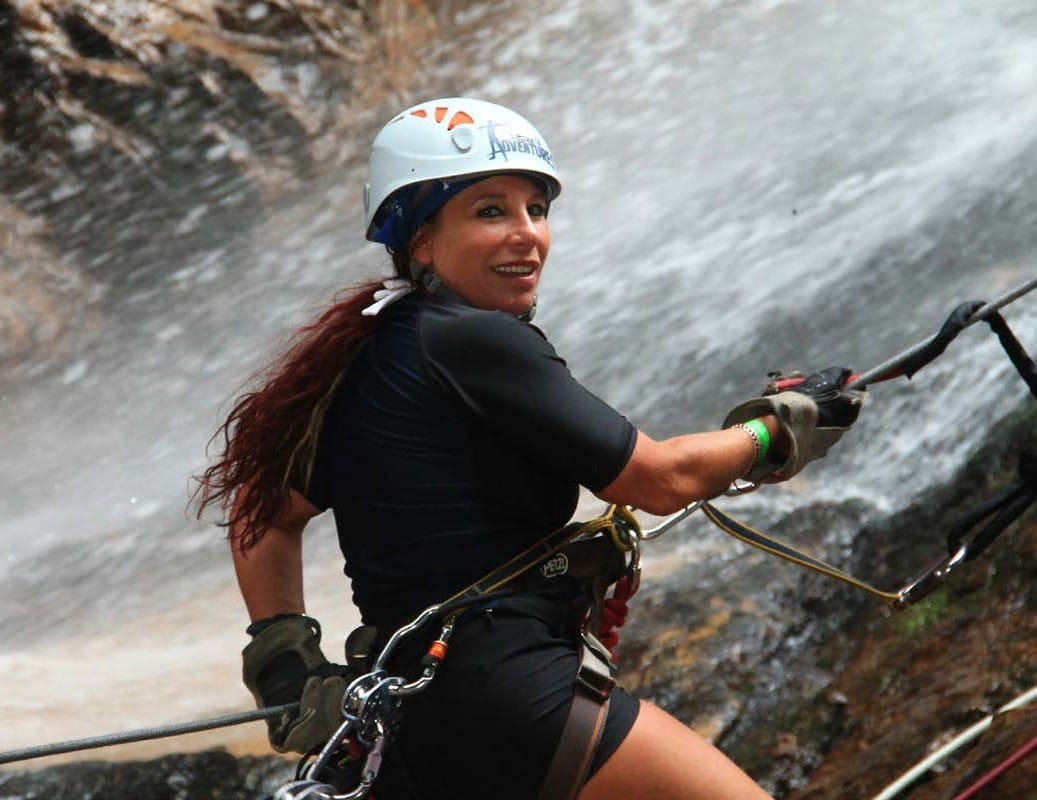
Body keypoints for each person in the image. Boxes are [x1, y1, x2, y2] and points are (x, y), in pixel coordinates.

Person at [195, 97, 865, 800]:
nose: (527, 236)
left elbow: (265, 509)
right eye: (490, 211)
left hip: (415, 716)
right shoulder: (468, 339)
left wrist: (282, 654)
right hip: (513, 695)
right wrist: (782, 425)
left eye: (535, 210)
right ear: (420, 238)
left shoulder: (373, 349)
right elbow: (658, 479)